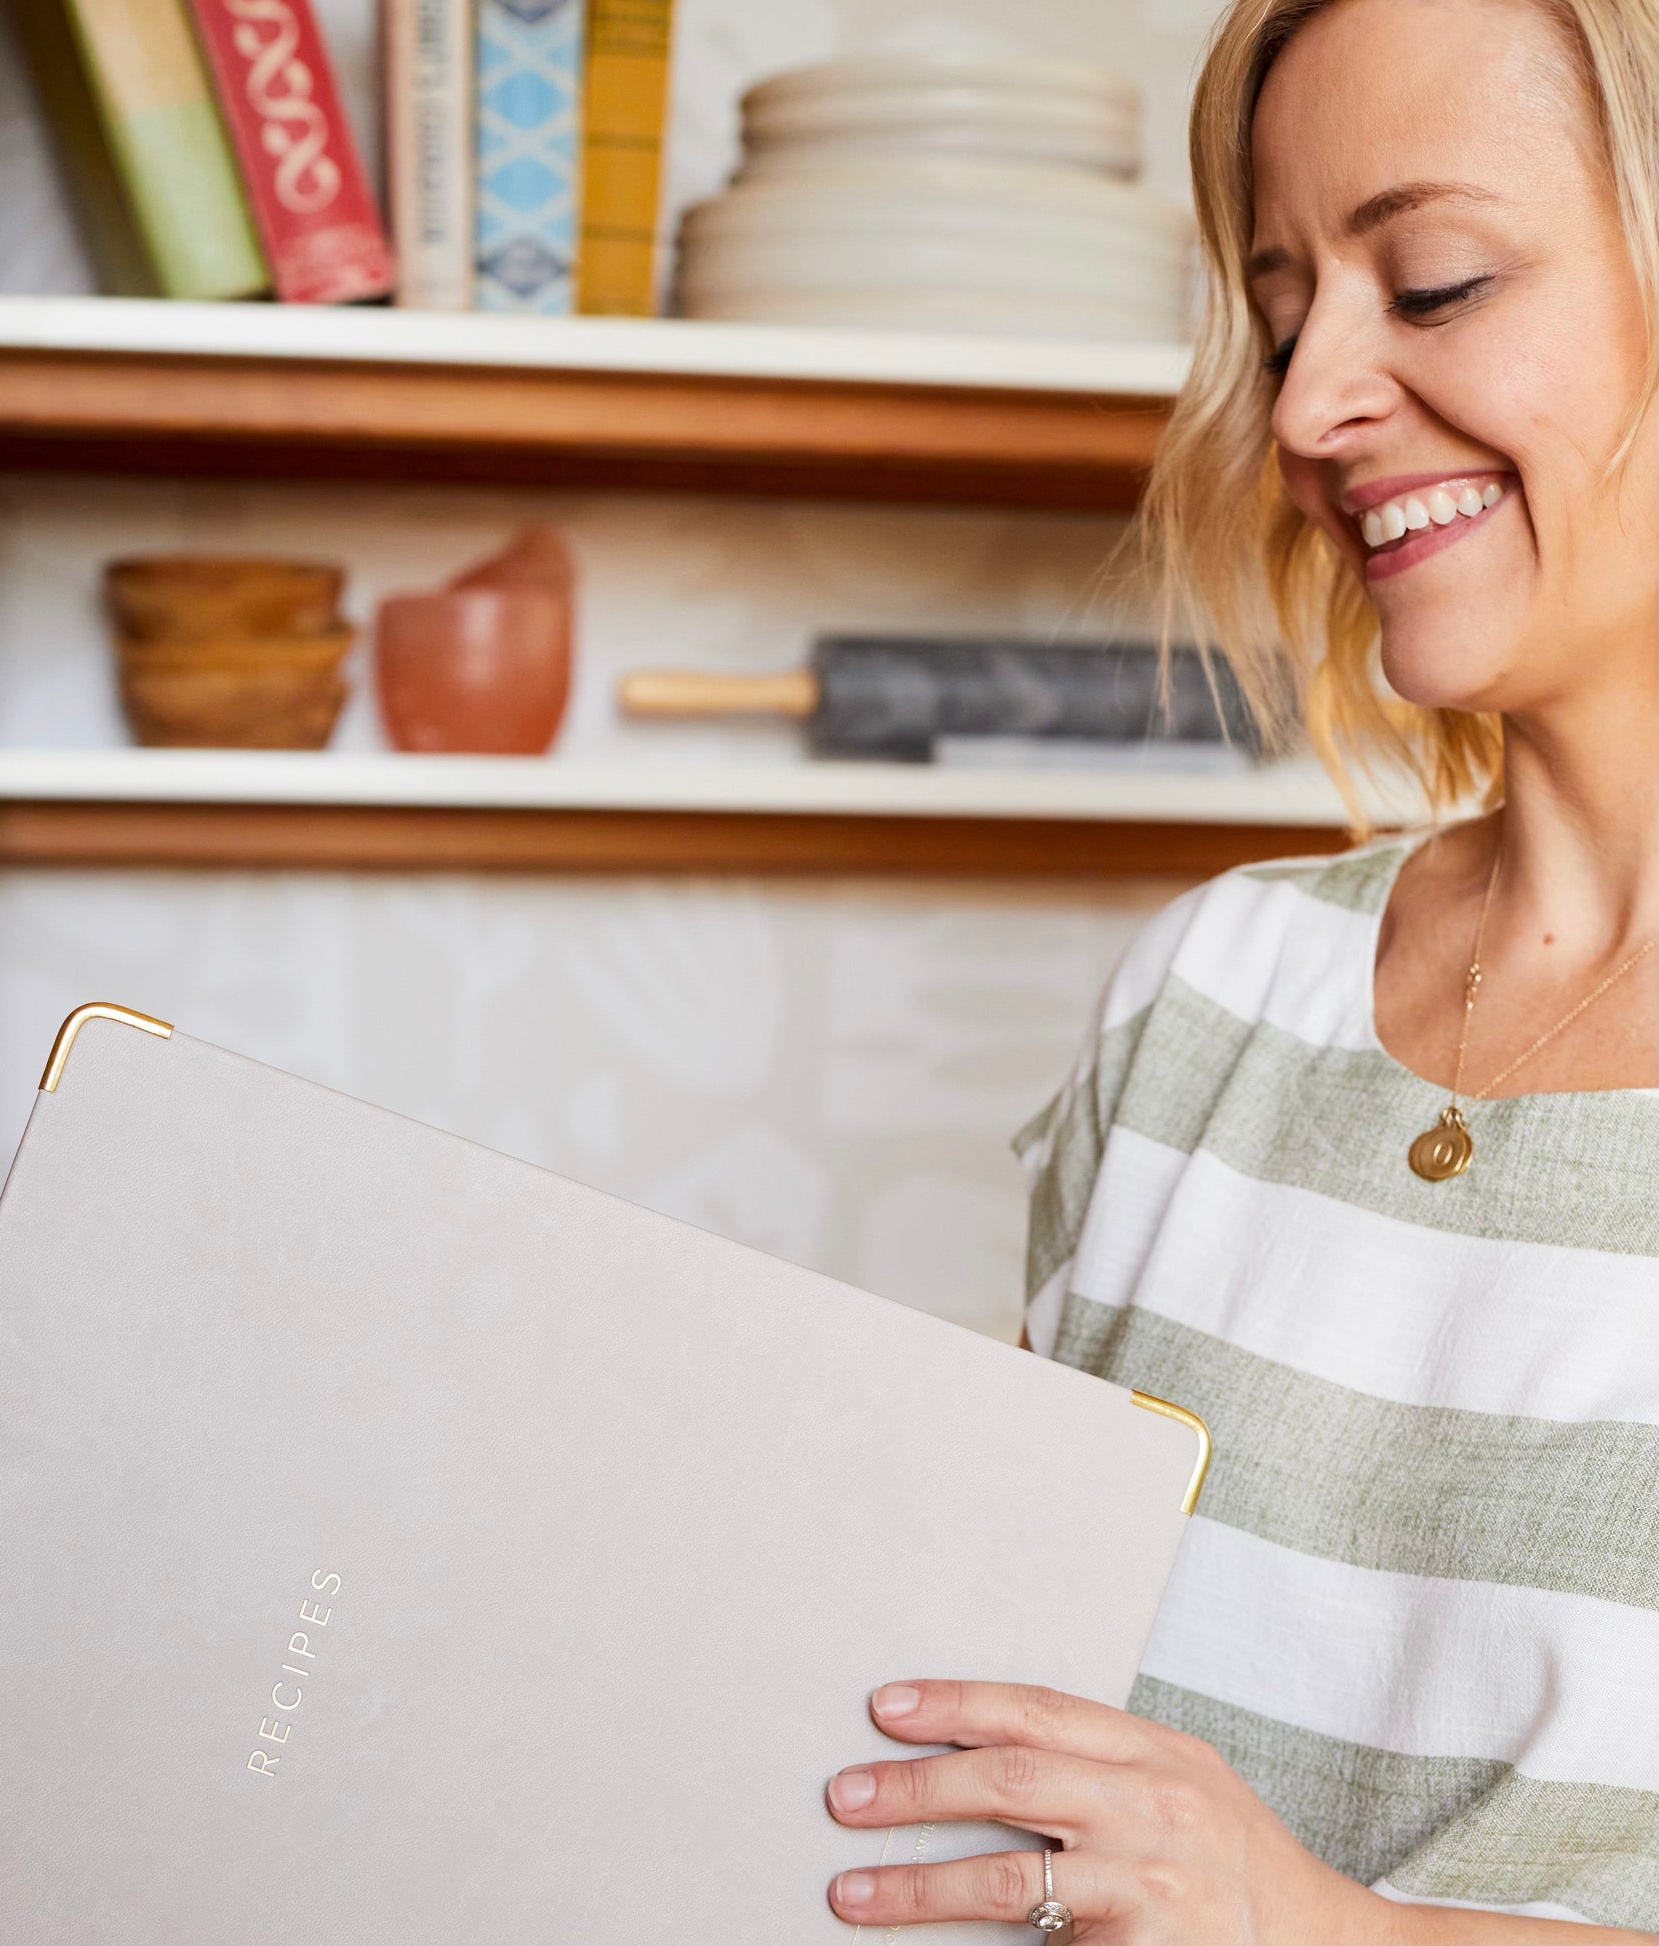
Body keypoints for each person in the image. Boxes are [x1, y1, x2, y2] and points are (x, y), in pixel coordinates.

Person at [823, 0, 1658, 1936]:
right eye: (1284, 317)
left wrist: (1325, 1929)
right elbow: (993, 1748)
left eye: (1432, 282)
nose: (1300, 411)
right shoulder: (1211, 993)